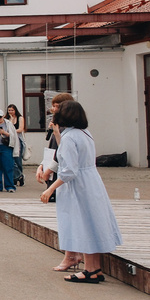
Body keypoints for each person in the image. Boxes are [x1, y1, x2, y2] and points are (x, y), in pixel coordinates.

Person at [39, 100, 123, 284]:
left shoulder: (70, 137)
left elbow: (68, 170)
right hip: (91, 181)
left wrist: (51, 189)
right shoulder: (84, 133)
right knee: (91, 222)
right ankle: (94, 268)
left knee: (82, 224)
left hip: (78, 187)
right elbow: (68, 154)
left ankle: (90, 270)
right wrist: (57, 134)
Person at [5, 104, 26, 187]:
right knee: (11, 160)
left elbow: (21, 129)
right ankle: (16, 176)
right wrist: (10, 119)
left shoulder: (20, 118)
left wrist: (12, 132)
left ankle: (20, 177)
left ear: (15, 110)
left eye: (12, 110)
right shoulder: (6, 119)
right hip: (9, 140)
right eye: (9, 110)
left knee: (18, 159)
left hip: (18, 140)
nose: (11, 112)